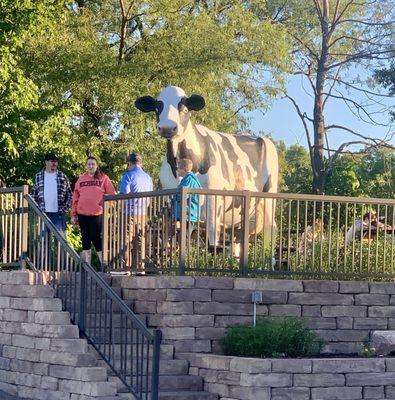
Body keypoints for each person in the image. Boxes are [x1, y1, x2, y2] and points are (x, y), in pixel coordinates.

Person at [71, 156, 115, 265]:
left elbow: (112, 195)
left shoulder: (103, 178)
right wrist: (73, 214)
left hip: (97, 214)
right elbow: (75, 198)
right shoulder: (81, 179)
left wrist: (107, 208)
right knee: (85, 240)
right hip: (82, 214)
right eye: (89, 164)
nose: (91, 166)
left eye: (93, 164)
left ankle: (104, 265)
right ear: (86, 166)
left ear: (97, 166)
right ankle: (87, 267)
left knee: (96, 239)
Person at [119, 152, 153, 272]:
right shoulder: (148, 177)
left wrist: (120, 211)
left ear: (129, 163)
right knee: (141, 239)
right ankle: (140, 268)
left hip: (129, 212)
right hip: (143, 212)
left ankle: (126, 268)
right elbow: (149, 200)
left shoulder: (127, 176)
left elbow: (124, 195)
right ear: (141, 163)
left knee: (126, 239)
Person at [33, 152, 72, 236]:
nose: (54, 163)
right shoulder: (38, 176)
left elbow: (69, 194)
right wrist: (38, 210)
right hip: (43, 213)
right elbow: (34, 195)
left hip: (59, 214)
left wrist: (64, 209)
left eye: (56, 161)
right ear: (46, 162)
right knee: (43, 240)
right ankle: (44, 250)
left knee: (61, 241)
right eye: (52, 161)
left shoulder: (62, 176)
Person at [173, 158, 202, 245]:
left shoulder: (189, 180)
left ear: (184, 169)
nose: (177, 170)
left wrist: (174, 197)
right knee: (183, 236)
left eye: (178, 168)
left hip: (188, 213)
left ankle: (184, 257)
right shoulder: (188, 179)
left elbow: (183, 196)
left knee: (184, 237)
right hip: (187, 213)